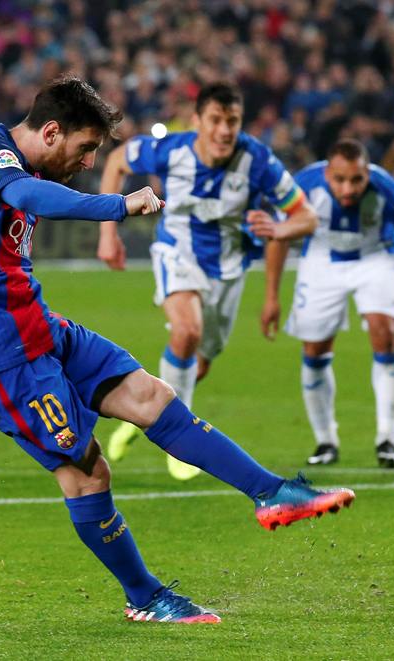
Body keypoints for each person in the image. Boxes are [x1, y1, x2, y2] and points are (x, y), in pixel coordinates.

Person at [0, 75, 353, 624]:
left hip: (38, 326)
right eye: (84, 149)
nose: (85, 161)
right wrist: (117, 206)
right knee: (86, 473)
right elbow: (30, 197)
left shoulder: (15, 164)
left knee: (152, 396)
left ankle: (271, 493)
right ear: (51, 132)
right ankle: (146, 597)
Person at [96, 81, 319, 480]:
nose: (223, 130)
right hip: (176, 254)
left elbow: (306, 216)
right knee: (186, 331)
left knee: (197, 364)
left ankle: (138, 415)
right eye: (215, 120)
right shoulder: (172, 150)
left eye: (231, 121)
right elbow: (116, 162)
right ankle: (180, 442)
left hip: (229, 272)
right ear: (198, 120)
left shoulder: (258, 161)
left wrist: (281, 230)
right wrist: (108, 232)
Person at [261, 138, 394, 467]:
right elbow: (279, 236)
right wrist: (271, 296)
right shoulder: (305, 185)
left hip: (376, 257)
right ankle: (325, 441)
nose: (348, 188)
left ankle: (387, 438)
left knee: (384, 334)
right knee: (314, 349)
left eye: (356, 179)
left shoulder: (387, 188)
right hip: (321, 261)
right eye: (340, 179)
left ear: (366, 173)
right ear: (327, 173)